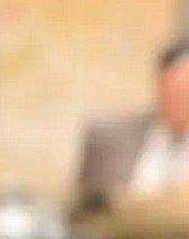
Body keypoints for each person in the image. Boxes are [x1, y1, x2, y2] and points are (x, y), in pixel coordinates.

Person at [73, 38, 189, 218]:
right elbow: (83, 212)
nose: (182, 99)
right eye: (176, 89)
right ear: (159, 84)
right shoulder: (108, 139)